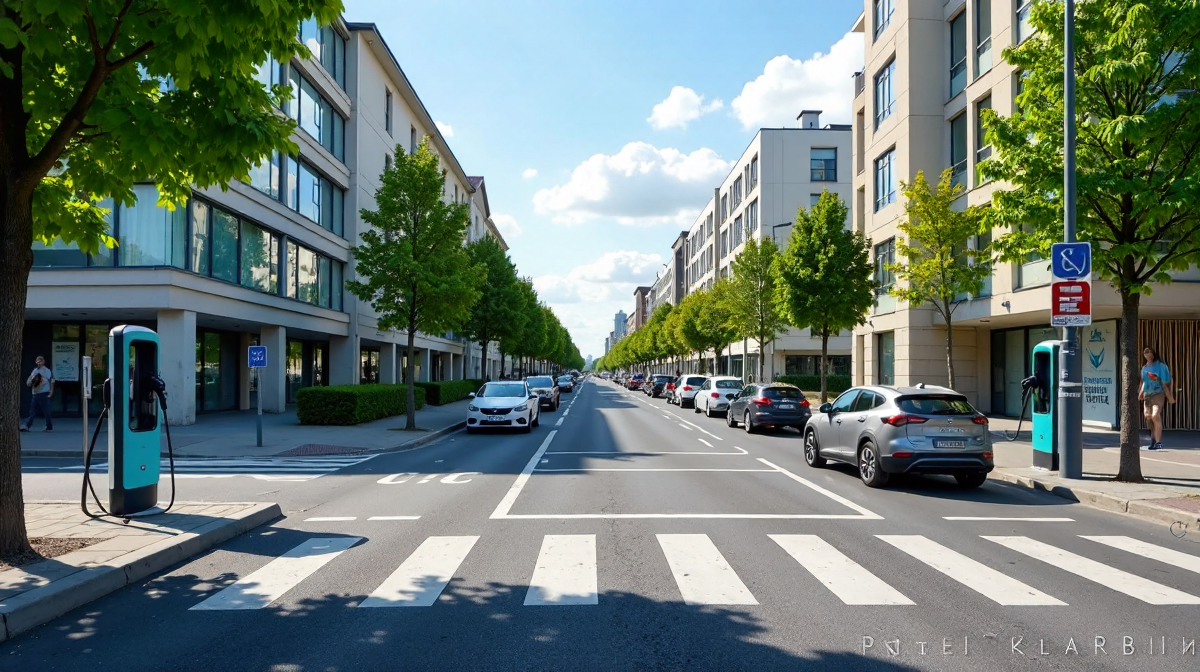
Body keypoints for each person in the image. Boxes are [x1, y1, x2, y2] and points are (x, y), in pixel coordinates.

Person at [1139, 346, 1175, 450]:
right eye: (1146, 354)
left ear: (1153, 354)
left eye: (1149, 354)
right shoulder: (1144, 368)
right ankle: (1153, 439)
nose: (1148, 356)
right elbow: (1143, 382)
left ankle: (1158, 442)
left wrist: (1168, 391)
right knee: (1148, 416)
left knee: (1155, 415)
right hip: (1147, 394)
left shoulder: (1160, 366)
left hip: (1158, 393)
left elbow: (1167, 380)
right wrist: (1140, 393)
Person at [22, 355, 54, 432]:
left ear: (43, 362)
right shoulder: (35, 370)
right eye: (38, 361)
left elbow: (52, 381)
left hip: (43, 393)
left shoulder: (46, 370)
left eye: (40, 361)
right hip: (36, 393)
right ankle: (28, 425)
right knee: (32, 411)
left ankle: (48, 426)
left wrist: (51, 392)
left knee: (46, 411)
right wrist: (29, 381)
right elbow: (31, 379)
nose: (39, 362)